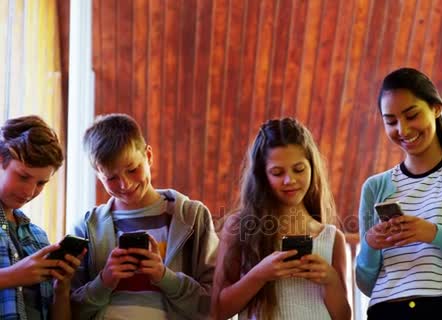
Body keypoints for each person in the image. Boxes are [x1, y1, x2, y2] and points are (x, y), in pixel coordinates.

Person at [356, 68, 442, 320]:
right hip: (385, 311)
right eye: (391, 121)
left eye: (412, 115)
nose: (403, 129)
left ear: (436, 108)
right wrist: (370, 245)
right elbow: (366, 284)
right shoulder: (374, 188)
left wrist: (434, 234)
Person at [70, 113, 219, 319]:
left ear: (148, 156)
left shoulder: (193, 217)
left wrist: (164, 277)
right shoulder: (85, 228)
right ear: (98, 175)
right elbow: (68, 310)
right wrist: (104, 281)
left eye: (132, 169)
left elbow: (214, 303)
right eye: (111, 178)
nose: (125, 185)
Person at [212, 117, 351, 320]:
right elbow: (218, 311)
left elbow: (344, 317)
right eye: (277, 173)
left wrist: (330, 280)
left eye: (299, 169)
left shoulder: (333, 238)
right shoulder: (240, 227)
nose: (290, 180)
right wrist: (259, 274)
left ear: (312, 168)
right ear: (262, 177)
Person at [0, 115, 82, 319]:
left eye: (41, 183)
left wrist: (61, 289)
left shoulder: (39, 238)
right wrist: (11, 277)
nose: (29, 192)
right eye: (23, 176)